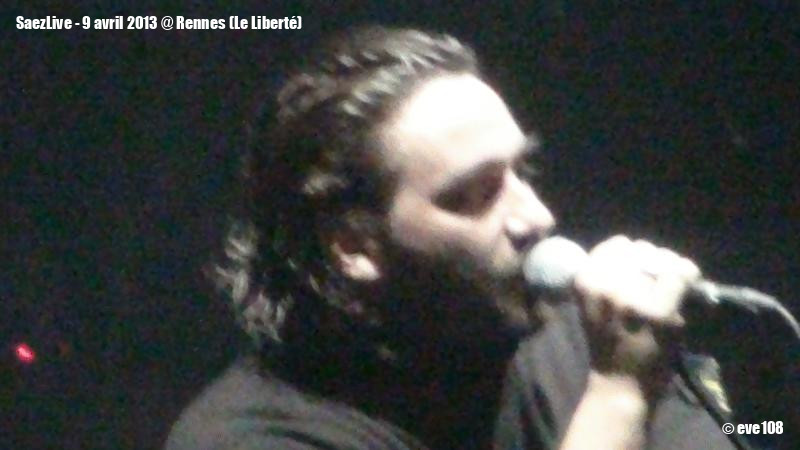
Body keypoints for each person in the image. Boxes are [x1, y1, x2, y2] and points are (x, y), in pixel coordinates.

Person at [165, 27, 753, 449]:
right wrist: (618, 400)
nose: (537, 217)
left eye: (522, 172)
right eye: (476, 194)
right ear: (355, 247)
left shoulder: (577, 343)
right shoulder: (245, 436)